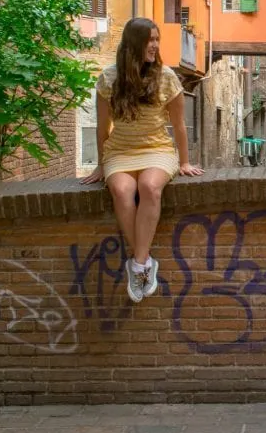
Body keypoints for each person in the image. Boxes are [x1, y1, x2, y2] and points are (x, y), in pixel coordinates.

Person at [81, 17, 203, 303]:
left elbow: (180, 125)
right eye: (150, 40)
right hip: (120, 152)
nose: (155, 46)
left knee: (149, 187)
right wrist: (100, 163)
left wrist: (184, 162)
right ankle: (144, 262)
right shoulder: (108, 79)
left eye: (157, 40)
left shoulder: (167, 77)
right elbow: (102, 127)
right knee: (122, 191)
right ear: (134, 43)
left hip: (157, 149)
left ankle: (137, 265)